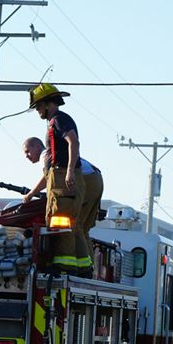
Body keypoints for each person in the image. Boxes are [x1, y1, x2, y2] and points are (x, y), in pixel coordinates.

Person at [28, 83, 91, 274]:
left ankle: (64, 266)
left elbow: (73, 142)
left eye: (38, 106)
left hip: (63, 176)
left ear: (48, 104)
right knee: (72, 224)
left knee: (60, 222)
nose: (38, 111)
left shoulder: (58, 120)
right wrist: (31, 193)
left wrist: (70, 170)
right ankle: (83, 267)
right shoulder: (57, 121)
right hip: (63, 176)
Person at [21, 136, 104, 273]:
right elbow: (49, 179)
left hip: (86, 181)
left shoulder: (46, 155)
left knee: (72, 223)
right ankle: (88, 267)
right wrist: (32, 193)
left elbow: (49, 178)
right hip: (95, 180)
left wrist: (30, 194)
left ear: (37, 146)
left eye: (27, 151)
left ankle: (74, 266)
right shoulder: (53, 155)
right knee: (82, 227)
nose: (27, 156)